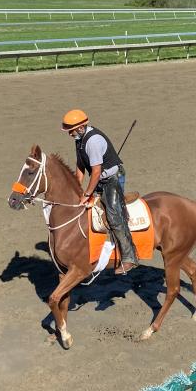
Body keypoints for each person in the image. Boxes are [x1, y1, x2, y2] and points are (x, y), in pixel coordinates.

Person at [62, 109, 138, 274]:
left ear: (81, 127)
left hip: (112, 179)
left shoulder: (93, 141)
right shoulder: (79, 139)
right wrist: (76, 188)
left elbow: (95, 172)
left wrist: (87, 193)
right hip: (100, 180)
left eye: (71, 131)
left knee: (113, 215)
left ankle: (129, 257)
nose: (69, 134)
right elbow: (80, 166)